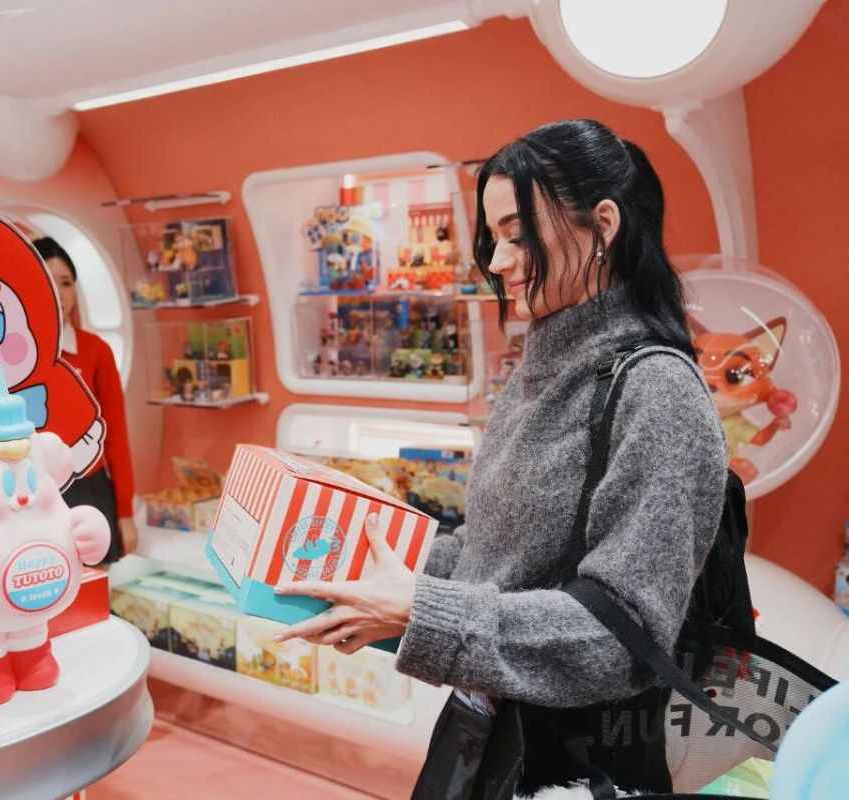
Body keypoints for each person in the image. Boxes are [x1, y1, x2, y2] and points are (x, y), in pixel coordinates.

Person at [275, 120, 726, 796]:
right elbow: (496, 554)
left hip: (569, 766)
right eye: (495, 239)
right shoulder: (541, 367)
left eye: (519, 235)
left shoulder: (657, 391)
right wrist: (370, 567)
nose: (499, 261)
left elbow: (623, 635)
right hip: (484, 730)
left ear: (603, 227)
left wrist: (421, 612)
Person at [33, 237, 138, 562]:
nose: (59, 292)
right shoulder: (13, 355)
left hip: (90, 489)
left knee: (96, 589)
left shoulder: (96, 351)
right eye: (48, 280)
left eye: (66, 283)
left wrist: (125, 513)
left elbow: (116, 434)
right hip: (34, 492)